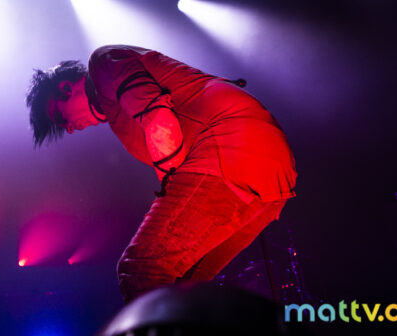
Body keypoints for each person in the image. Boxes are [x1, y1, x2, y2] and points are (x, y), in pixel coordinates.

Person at [26, 44, 296, 303]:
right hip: (271, 170)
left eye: (61, 119)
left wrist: (171, 189)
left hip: (231, 147)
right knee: (183, 287)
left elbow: (159, 120)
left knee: (140, 270)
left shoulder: (103, 64)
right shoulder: (116, 104)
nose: (70, 129)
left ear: (65, 87)